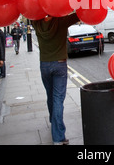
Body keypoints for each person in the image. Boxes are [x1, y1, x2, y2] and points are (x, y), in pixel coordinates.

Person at [32, 12, 79, 145]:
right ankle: (58, 137)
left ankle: (54, 122)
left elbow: (31, 14)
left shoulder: (36, 23)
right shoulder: (61, 21)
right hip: (59, 64)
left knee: (50, 96)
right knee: (58, 99)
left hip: (44, 65)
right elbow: (78, 15)